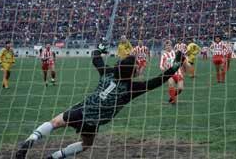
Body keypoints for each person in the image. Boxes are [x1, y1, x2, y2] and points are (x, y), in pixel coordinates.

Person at [15, 44, 185, 159]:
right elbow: (156, 81)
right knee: (86, 144)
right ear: (131, 71)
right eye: (136, 67)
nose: (138, 68)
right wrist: (175, 66)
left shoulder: (108, 72)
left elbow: (95, 58)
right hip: (94, 121)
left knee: (54, 122)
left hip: (81, 111)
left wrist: (100, 49)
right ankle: (54, 157)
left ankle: (32, 139)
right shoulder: (131, 88)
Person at [160, 40, 185, 104]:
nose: (168, 47)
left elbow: (183, 60)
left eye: (169, 45)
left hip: (178, 73)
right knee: (171, 85)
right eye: (166, 46)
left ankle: (172, 97)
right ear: (165, 47)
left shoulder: (176, 53)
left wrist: (183, 70)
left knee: (180, 88)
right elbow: (161, 66)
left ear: (171, 46)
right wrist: (164, 69)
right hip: (170, 74)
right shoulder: (164, 55)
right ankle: (173, 101)